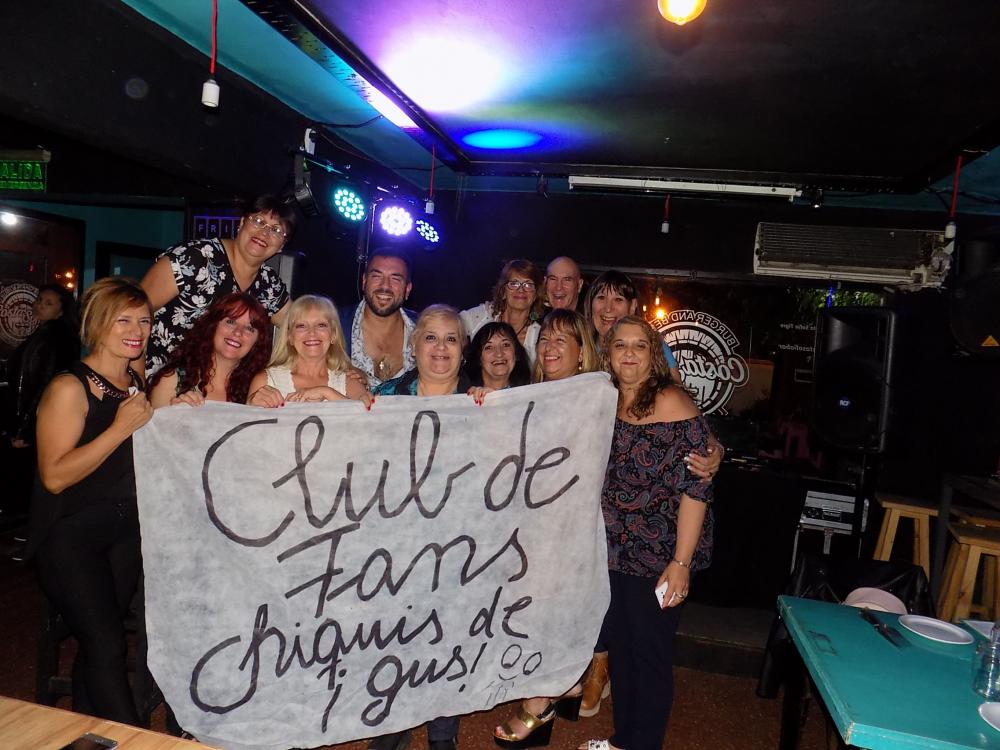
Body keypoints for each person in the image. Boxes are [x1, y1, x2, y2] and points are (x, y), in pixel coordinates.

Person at [579, 316, 714, 750]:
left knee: (649, 653)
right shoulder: (605, 398)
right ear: (608, 352)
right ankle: (626, 740)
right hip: (614, 551)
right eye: (621, 345)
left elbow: (697, 486)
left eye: (640, 345)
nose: (629, 353)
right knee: (621, 648)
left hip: (660, 554)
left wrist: (681, 563)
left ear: (653, 354)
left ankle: (643, 744)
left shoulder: (672, 400)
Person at [26, 277, 153, 724]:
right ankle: (137, 740)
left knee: (98, 643)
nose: (137, 331)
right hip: (69, 536)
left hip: (122, 531)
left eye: (144, 320)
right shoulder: (69, 387)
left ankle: (85, 739)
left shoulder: (135, 379)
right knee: (107, 645)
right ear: (97, 323)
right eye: (123, 320)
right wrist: (119, 428)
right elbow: (54, 477)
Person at [368, 304, 485, 750]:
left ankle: (442, 734)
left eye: (451, 339)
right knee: (392, 634)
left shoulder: (486, 404)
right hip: (395, 541)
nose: (440, 348)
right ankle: (390, 726)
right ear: (414, 346)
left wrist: (492, 416)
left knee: (448, 635)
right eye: (430, 338)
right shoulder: (386, 397)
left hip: (457, 544)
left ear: (463, 349)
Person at [141, 194, 295, 375]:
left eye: (276, 230)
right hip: (154, 376)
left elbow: (300, 324)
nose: (264, 233)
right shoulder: (195, 257)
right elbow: (132, 310)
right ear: (242, 223)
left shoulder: (268, 285)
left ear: (282, 245)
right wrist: (135, 375)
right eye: (258, 221)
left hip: (207, 385)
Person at [147, 292, 272, 408]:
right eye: (231, 321)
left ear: (257, 341)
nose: (238, 332)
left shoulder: (258, 389)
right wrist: (174, 415)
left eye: (249, 328)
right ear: (212, 326)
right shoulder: (172, 381)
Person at [249, 295, 370, 406]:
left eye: (321, 325)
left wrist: (327, 393)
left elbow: (371, 417)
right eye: (301, 326)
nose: (312, 332)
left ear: (334, 335)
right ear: (289, 337)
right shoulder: (266, 381)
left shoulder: (350, 381)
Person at [7, 284, 80, 448]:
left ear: (61, 311)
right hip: (36, 418)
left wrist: (25, 427)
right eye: (39, 300)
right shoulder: (46, 333)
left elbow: (44, 382)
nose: (40, 305)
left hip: (37, 421)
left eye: (48, 303)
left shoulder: (55, 338)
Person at [584, 270, 681, 384]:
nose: (608, 308)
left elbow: (676, 388)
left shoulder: (654, 345)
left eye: (618, 299)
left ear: (632, 306)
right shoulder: (580, 347)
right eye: (601, 298)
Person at [340, 248, 418, 388]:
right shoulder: (334, 324)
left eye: (395, 279)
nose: (385, 286)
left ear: (407, 289)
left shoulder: (425, 330)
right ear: (364, 281)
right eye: (376, 276)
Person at [460, 259, 543, 366]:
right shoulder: (479, 318)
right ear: (503, 291)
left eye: (528, 285)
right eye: (514, 284)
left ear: (535, 294)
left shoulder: (538, 336)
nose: (521, 290)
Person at [464, 321, 532, 390]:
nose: (499, 354)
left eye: (505, 345)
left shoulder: (530, 393)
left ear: (516, 353)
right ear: (478, 358)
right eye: (489, 347)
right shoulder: (463, 394)